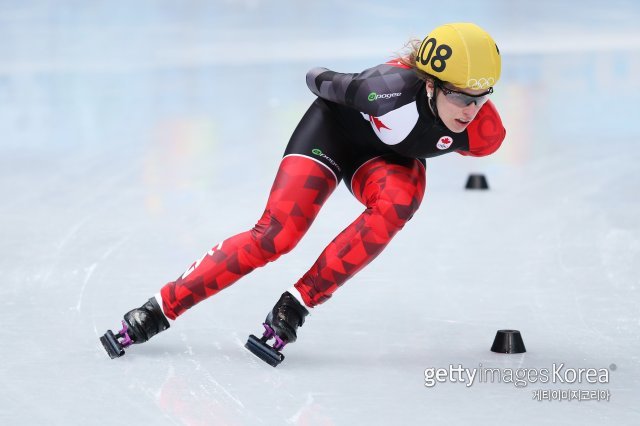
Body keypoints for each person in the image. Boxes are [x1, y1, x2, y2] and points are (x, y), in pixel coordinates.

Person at [100, 22, 506, 365]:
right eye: (458, 95)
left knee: (400, 201)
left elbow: (440, 133)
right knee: (276, 235)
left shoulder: (483, 133)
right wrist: (361, 97)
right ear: (430, 83)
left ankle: (294, 306)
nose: (469, 109)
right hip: (332, 133)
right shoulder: (383, 89)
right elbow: (316, 77)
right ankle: (156, 309)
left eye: (480, 95)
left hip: (383, 160)